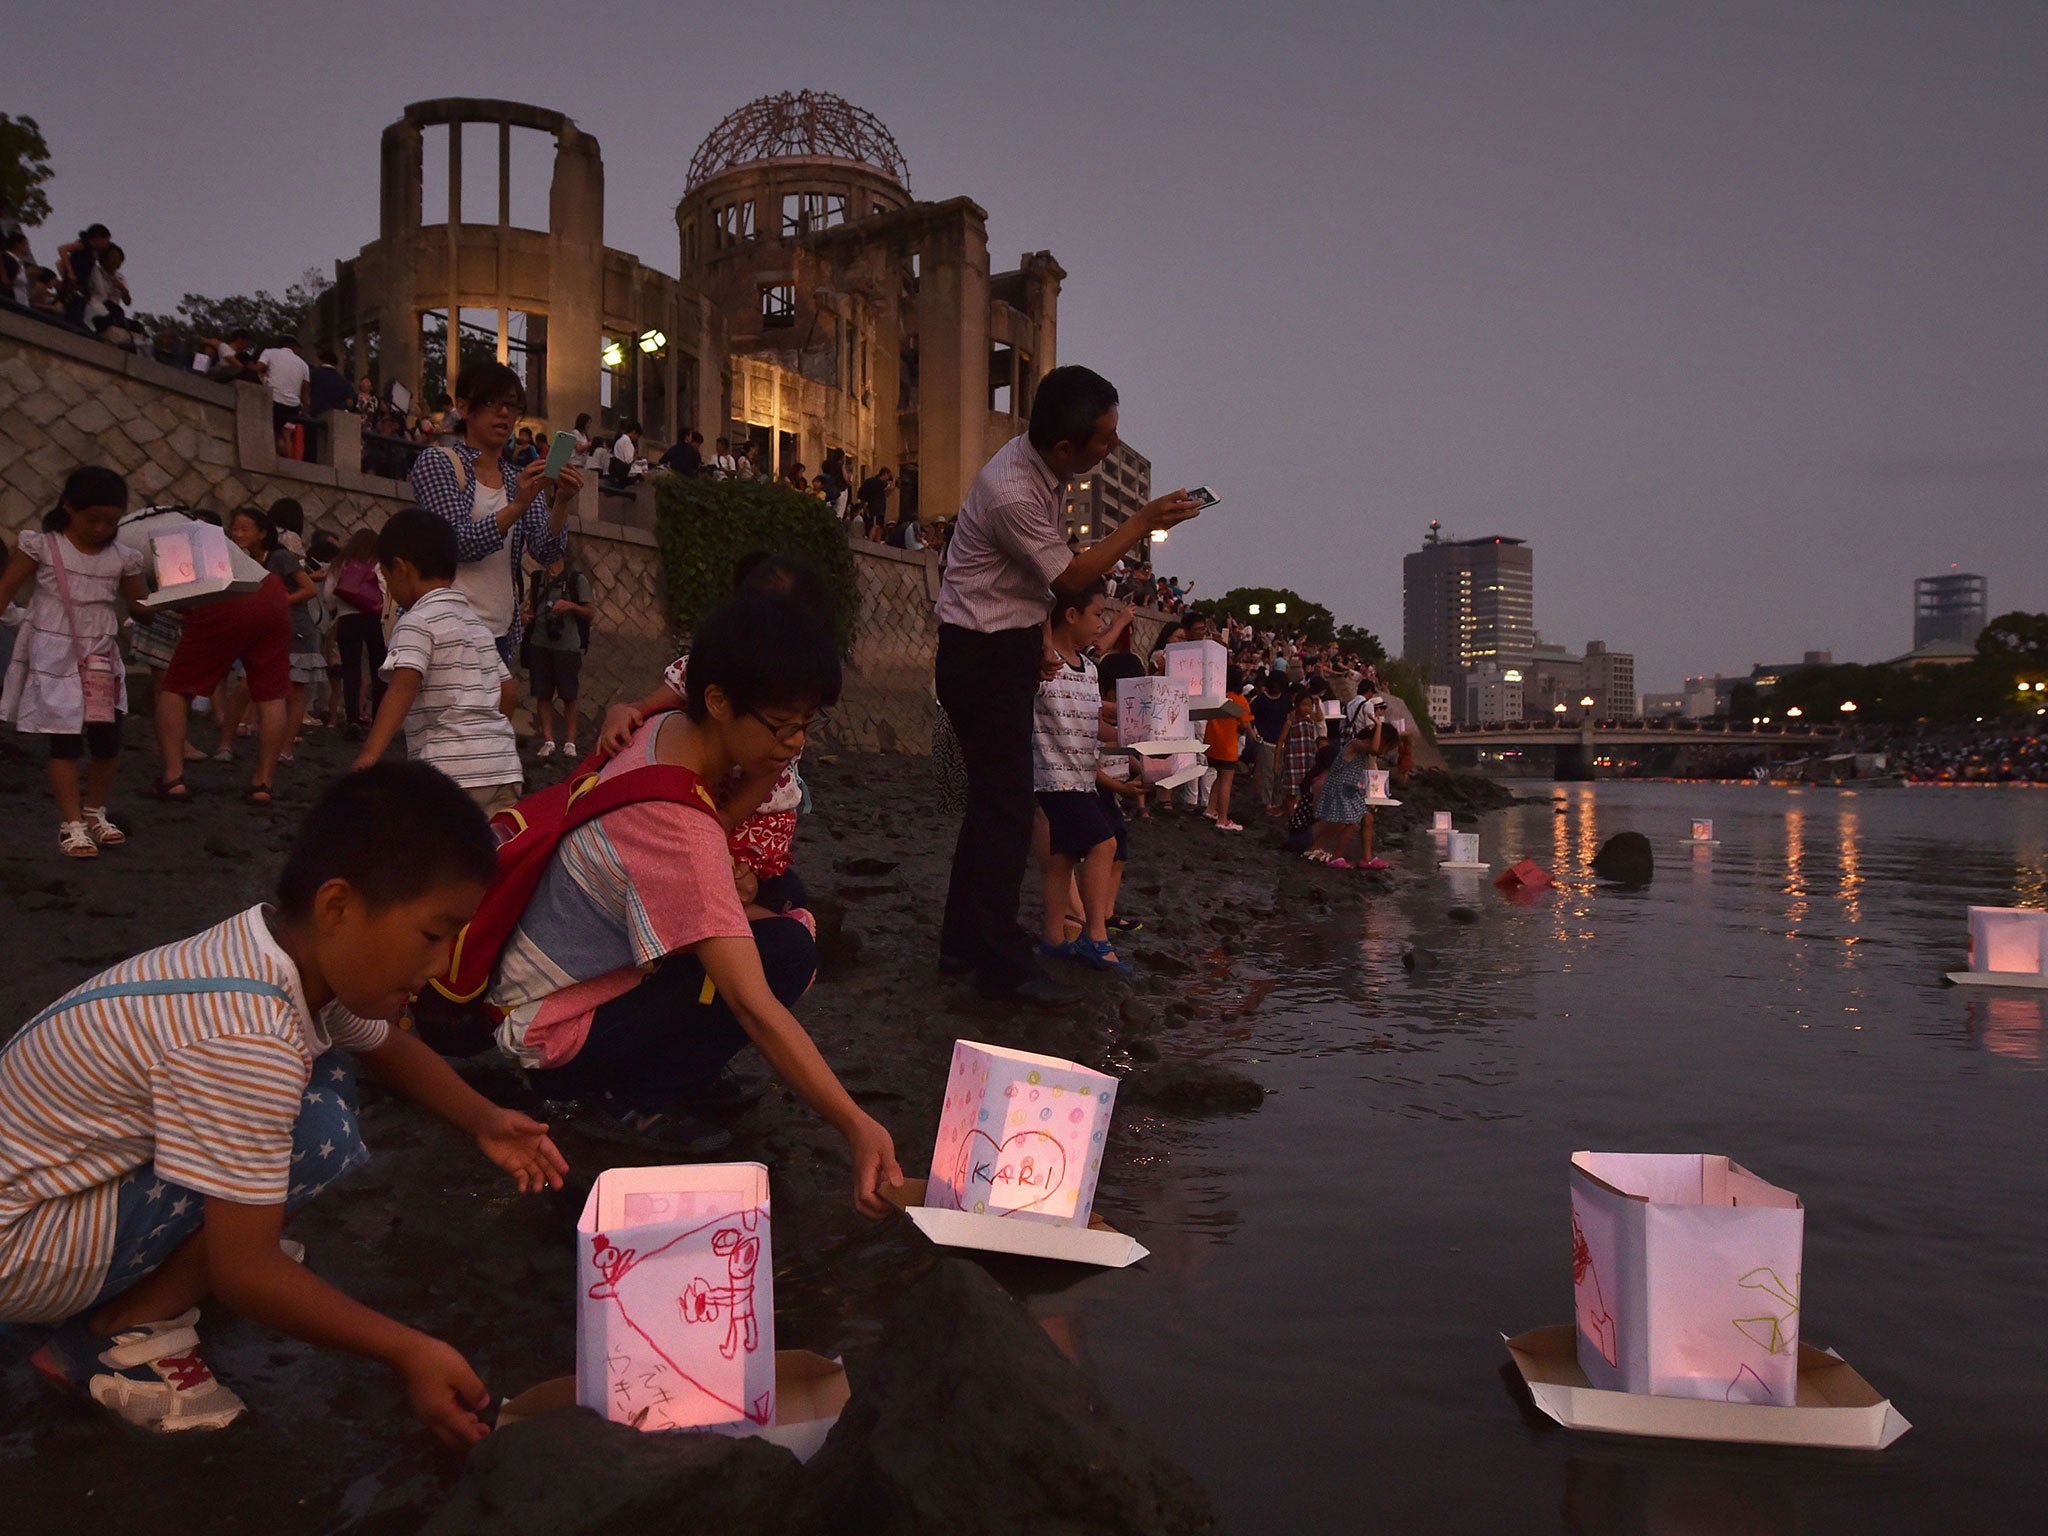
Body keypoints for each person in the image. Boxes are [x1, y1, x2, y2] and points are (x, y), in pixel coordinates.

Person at [2, 762, 566, 1441]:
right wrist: (409, 1351)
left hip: (44, 1191)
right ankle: (122, 1339)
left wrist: (484, 1117)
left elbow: (384, 1044)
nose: (444, 965)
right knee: (310, 1126)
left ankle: (168, 1267)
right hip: (21, 1245)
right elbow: (247, 1274)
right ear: (336, 906)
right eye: (431, 935)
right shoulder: (248, 1033)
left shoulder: (272, 949)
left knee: (316, 1083)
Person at [491, 591, 904, 1215]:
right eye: (781, 724)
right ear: (717, 700)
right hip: (551, 1035)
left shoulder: (662, 730)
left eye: (806, 724)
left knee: (777, 929)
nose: (795, 744)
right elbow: (752, 1003)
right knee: (787, 952)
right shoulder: (677, 828)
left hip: (542, 986)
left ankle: (677, 1072)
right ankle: (636, 1100)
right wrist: (856, 1124)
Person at [932, 364, 1203, 1003]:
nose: (1111, 447)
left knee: (992, 810)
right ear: (1063, 447)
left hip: (1000, 645)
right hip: (980, 653)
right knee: (1003, 812)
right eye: (1103, 439)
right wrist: (1141, 523)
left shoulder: (1040, 469)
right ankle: (995, 958)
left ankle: (962, 943)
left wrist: (1032, 647)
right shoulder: (1012, 491)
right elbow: (1071, 578)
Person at [595, 554, 828, 916]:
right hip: (705, 807)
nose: (798, 738)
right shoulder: (714, 666)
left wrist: (729, 819)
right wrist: (623, 714)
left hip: (749, 813)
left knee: (773, 887)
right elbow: (650, 705)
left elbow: (767, 776)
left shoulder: (785, 719)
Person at [406, 360, 582, 700]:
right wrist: (516, 505)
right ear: (463, 407)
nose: (504, 414)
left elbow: (546, 551)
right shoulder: (439, 462)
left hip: (499, 633)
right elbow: (454, 543)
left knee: (486, 739)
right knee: (448, 741)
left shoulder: (518, 477)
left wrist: (561, 502)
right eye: (491, 403)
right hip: (446, 630)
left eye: (512, 405)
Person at [0, 467, 150, 858]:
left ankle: (95, 811)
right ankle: (72, 824)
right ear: (69, 507)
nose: (101, 528)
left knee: (107, 741)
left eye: (112, 522)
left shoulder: (123, 559)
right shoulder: (42, 547)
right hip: (54, 656)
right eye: (92, 519)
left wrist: (177, 602)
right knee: (64, 743)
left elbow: (142, 607)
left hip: (100, 657)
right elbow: (5, 591)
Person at [351, 509, 523, 817]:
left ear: (401, 569)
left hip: (447, 772)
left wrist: (370, 755)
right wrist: (487, 740)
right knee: (491, 855)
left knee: (436, 854)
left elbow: (402, 688)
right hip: (503, 767)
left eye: (387, 579)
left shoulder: (416, 621)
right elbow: (508, 693)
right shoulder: (476, 625)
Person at [159, 506, 294, 804]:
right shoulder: (220, 541)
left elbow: (177, 598)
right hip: (271, 593)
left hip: (226, 595)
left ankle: (173, 778)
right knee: (272, 695)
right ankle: (263, 783)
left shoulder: (169, 537)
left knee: (176, 688)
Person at [1033, 582, 1131, 974]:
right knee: (1104, 845)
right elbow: (1039, 606)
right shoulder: (1043, 663)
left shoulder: (1089, 669)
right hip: (1051, 777)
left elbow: (1095, 727)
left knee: (1064, 857)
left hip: (1080, 778)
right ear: (1070, 615)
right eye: (1097, 614)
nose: (1101, 624)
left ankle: (1054, 939)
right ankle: (1095, 935)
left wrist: (1136, 737)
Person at [523, 548, 593, 760]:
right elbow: (532, 609)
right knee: (543, 693)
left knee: (569, 694)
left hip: (567, 646)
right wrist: (526, 617)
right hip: (540, 643)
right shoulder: (538, 579)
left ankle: (570, 742)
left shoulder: (576, 580)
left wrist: (571, 606)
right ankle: (548, 740)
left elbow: (590, 613)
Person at [327, 528, 387, 738]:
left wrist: (335, 610)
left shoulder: (340, 563)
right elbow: (386, 590)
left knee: (351, 671)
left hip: (347, 620)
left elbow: (328, 593)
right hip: (374, 620)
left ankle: (352, 719)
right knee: (378, 671)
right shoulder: (379, 563)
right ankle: (377, 720)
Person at [1204, 665, 1251, 832]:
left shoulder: (1217, 696)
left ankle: (1211, 809)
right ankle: (1222, 819)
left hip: (1212, 744)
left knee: (1218, 776)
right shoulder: (1239, 700)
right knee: (1226, 782)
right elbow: (1245, 724)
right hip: (1227, 746)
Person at [257, 338, 312, 459]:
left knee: (274, 430)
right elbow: (305, 392)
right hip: (292, 406)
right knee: (280, 432)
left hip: (273, 400)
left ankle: (271, 455)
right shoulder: (303, 364)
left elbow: (258, 368)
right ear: (293, 347)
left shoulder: (269, 352)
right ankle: (284, 457)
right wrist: (305, 412)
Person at [1248, 669, 1291, 814]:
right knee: (1268, 773)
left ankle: (1276, 801)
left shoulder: (1285, 698)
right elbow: (1250, 719)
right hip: (1266, 740)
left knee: (1280, 773)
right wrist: (1254, 734)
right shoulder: (1260, 700)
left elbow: (1289, 717)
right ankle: (1267, 803)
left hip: (1282, 739)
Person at [307, 350, 352, 419]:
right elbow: (349, 402)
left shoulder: (312, 374)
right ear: (335, 364)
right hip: (336, 418)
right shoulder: (344, 381)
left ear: (320, 360)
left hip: (315, 417)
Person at [857, 466, 893, 533]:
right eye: (888, 475)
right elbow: (889, 489)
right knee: (875, 526)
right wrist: (894, 482)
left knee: (880, 527)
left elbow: (887, 494)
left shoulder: (875, 483)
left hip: (878, 507)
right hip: (876, 508)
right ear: (885, 474)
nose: (888, 478)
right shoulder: (878, 482)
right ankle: (871, 541)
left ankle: (877, 542)